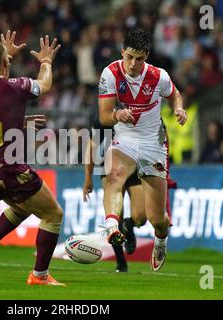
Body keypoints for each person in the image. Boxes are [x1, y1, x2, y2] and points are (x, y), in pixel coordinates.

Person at [0, 33, 65, 286]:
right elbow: (44, 85)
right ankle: (39, 275)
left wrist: (4, 57)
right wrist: (46, 62)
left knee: (22, 208)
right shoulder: (15, 86)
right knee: (54, 214)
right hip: (10, 168)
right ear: (3, 62)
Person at [98, 29, 187, 271]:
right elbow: (104, 116)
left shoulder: (159, 76)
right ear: (122, 52)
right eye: (129, 57)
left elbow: (174, 95)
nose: (133, 64)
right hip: (125, 139)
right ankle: (112, 226)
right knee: (113, 173)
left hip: (153, 143)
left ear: (146, 56)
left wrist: (179, 108)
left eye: (139, 58)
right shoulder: (110, 73)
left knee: (157, 219)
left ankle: (161, 240)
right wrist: (117, 114)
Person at [83, 117, 142, 273]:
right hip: (109, 168)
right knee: (114, 220)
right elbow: (92, 147)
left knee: (141, 217)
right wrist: (88, 178)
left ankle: (129, 226)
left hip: (134, 166)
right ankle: (121, 262)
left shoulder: (139, 112)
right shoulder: (103, 120)